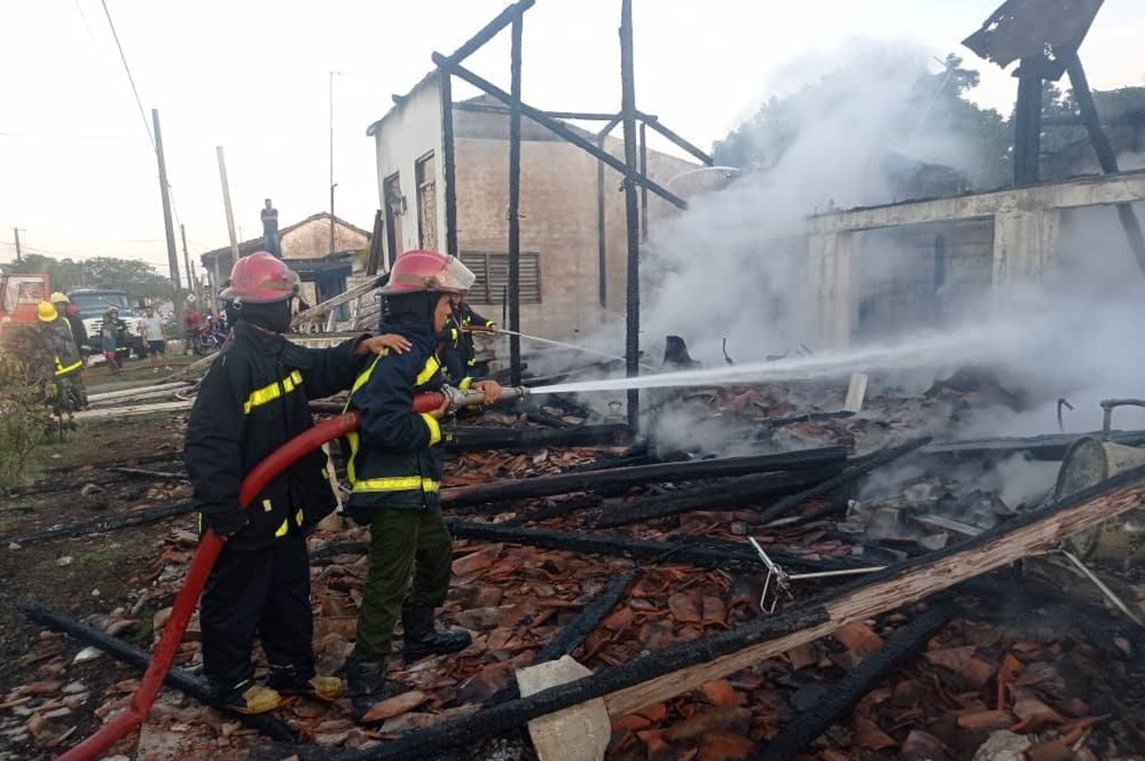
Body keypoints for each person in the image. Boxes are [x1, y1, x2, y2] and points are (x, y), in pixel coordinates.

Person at [184, 251, 412, 715]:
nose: (290, 307)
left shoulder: (274, 350)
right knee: (237, 599)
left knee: (287, 593)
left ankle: (293, 671)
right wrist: (224, 509)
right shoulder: (235, 365)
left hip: (282, 504)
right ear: (266, 306)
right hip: (246, 511)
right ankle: (229, 684)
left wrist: (360, 348)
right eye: (287, 299)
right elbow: (209, 444)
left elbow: (317, 370)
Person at [342, 250, 502, 721]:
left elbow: (439, 400)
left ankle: (420, 634)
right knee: (388, 581)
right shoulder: (398, 356)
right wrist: (435, 428)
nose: (452, 316)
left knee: (436, 555)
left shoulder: (421, 353)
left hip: (415, 483)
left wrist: (478, 395)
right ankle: (365, 674)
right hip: (391, 489)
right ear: (421, 304)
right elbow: (381, 424)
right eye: (447, 306)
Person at [34, 301, 86, 424]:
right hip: (74, 360)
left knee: (63, 388)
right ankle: (83, 404)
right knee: (78, 384)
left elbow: (43, 348)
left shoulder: (40, 329)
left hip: (59, 366)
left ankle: (66, 408)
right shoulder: (65, 321)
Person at [441, 297, 497, 384]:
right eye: (455, 294)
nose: (457, 297)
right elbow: (441, 332)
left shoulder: (465, 308)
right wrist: (456, 332)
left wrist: (490, 324)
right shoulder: (446, 309)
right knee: (458, 377)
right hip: (452, 350)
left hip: (466, 348)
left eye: (459, 294)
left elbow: (476, 319)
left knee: (467, 375)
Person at [50, 292, 88, 359]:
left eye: (62, 305)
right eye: (57, 305)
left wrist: (84, 354)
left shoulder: (75, 321)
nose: (60, 307)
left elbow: (83, 338)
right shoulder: (49, 322)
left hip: (75, 356)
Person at [138, 305, 167, 371]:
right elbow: (142, 330)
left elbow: (162, 328)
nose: (148, 312)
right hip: (150, 339)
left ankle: (166, 366)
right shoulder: (144, 320)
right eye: (147, 311)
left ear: (152, 311)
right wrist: (144, 339)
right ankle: (155, 367)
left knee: (162, 353)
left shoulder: (158, 318)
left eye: (149, 311)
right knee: (153, 354)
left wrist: (164, 336)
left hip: (159, 338)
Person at [100, 309, 122, 374]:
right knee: (108, 359)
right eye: (104, 318)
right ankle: (112, 370)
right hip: (104, 344)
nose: (105, 319)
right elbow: (103, 336)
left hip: (111, 344)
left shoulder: (112, 326)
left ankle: (117, 369)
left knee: (111, 358)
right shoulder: (103, 327)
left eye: (106, 318)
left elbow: (116, 334)